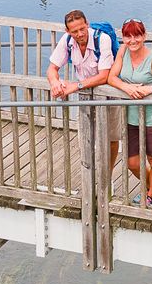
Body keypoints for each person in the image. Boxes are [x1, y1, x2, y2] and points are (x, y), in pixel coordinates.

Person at [107, 19, 152, 208]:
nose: (132, 40)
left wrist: (151, 89)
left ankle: (151, 197)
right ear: (123, 37)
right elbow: (111, 77)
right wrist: (126, 87)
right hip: (131, 117)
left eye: (137, 35)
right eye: (128, 36)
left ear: (144, 36)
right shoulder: (123, 52)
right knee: (132, 162)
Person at [47, 9, 124, 170]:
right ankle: (90, 175)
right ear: (67, 31)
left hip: (109, 95)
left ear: (87, 24)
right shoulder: (67, 40)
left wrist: (76, 86)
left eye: (82, 29)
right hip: (86, 97)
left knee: (111, 138)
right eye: (75, 31)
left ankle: (107, 177)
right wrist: (55, 82)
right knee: (85, 136)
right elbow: (52, 68)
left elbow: (104, 75)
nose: (80, 34)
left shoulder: (101, 39)